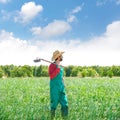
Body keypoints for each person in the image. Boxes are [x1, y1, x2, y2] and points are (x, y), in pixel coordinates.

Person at [48, 50, 68, 119]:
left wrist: (63, 83)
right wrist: (58, 68)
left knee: (65, 103)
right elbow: (52, 76)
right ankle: (52, 118)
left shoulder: (60, 66)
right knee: (54, 104)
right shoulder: (52, 66)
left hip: (61, 87)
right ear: (57, 57)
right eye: (60, 56)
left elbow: (61, 76)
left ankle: (65, 118)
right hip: (54, 88)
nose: (62, 57)